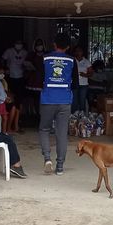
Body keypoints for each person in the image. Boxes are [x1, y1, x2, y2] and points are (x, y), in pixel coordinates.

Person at [39, 33, 75, 175]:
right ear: (68, 46)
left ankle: (47, 158)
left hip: (48, 99)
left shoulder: (45, 58)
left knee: (44, 129)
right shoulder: (71, 60)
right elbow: (76, 83)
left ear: (54, 44)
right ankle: (60, 166)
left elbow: (40, 78)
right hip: (65, 100)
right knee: (61, 134)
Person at [2, 40, 28, 116]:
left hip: (21, 76)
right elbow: (3, 59)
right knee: (11, 95)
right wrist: (5, 68)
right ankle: (11, 114)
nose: (19, 45)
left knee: (20, 97)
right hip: (11, 76)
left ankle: (18, 115)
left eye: (20, 43)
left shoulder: (25, 52)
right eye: (17, 43)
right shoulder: (9, 51)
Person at [71, 47, 92, 113]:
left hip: (83, 85)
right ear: (74, 52)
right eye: (76, 51)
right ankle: (74, 117)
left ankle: (82, 117)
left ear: (82, 52)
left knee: (82, 102)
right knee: (74, 103)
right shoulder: (72, 60)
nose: (78, 52)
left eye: (79, 51)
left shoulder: (86, 61)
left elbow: (91, 73)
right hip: (74, 84)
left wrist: (84, 75)